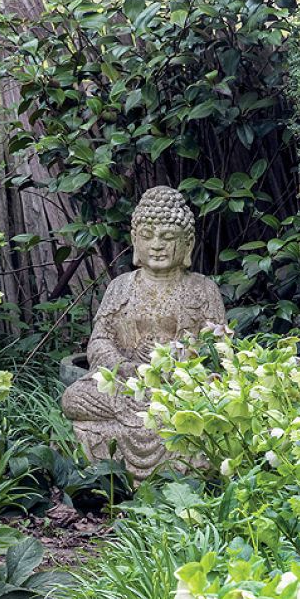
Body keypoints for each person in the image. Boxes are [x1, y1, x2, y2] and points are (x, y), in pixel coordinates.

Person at [61, 186, 225, 478]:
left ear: (187, 244)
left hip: (180, 390)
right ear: (136, 241)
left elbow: (220, 349)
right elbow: (99, 340)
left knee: (211, 403)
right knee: (74, 398)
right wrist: (124, 367)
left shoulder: (203, 289)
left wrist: (180, 368)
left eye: (168, 237)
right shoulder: (121, 286)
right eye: (148, 236)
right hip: (126, 387)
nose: (158, 245)